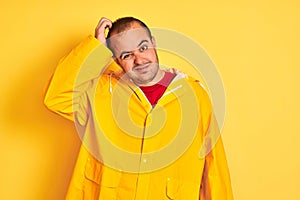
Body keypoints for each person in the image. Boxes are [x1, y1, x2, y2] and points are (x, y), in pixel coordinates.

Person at [44, 17, 233, 200]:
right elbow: (56, 96)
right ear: (117, 61)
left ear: (153, 43)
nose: (139, 60)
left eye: (143, 48)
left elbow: (214, 170)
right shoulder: (101, 91)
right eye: (127, 55)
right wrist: (95, 49)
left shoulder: (195, 96)